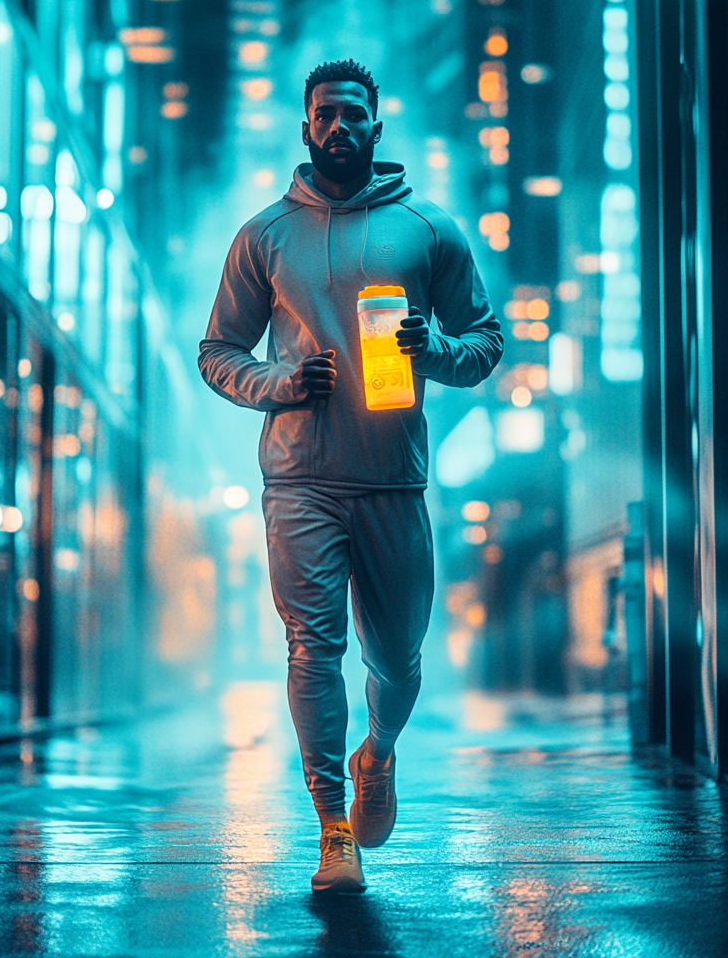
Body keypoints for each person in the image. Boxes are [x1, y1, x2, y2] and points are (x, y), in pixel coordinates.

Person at [198, 59, 503, 893]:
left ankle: (380, 750)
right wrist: (279, 384)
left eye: (353, 114)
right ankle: (333, 833)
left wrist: (431, 351)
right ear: (306, 128)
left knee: (399, 660)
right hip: (298, 478)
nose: (339, 126)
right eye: (324, 114)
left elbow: (485, 343)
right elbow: (217, 351)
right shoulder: (264, 236)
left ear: (377, 124)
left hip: (394, 478)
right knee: (313, 647)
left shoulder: (429, 229)